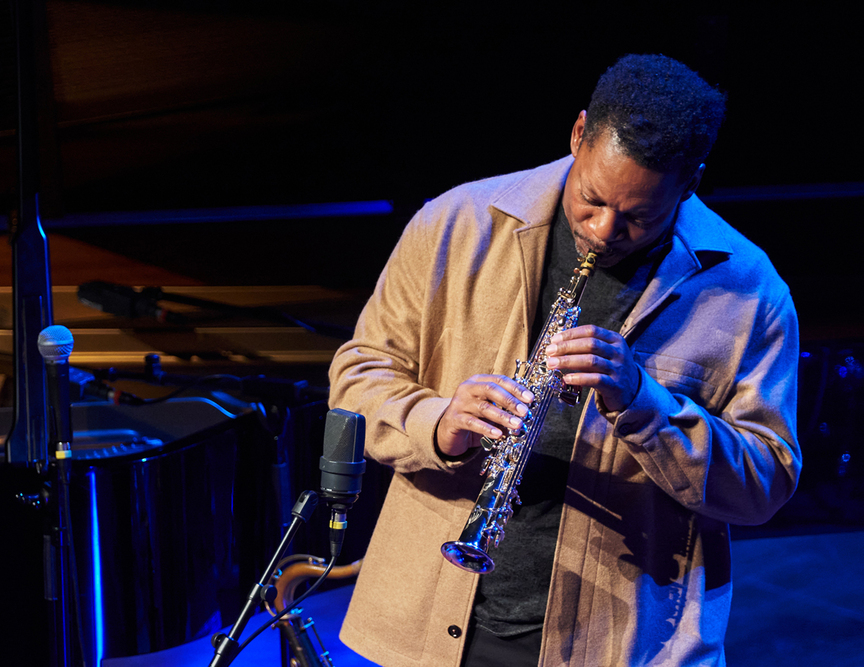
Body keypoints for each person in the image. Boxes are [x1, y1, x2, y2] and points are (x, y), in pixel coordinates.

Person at [328, 54, 800, 667]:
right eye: (592, 198)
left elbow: (766, 483)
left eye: (638, 217)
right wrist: (439, 423)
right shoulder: (456, 223)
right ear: (579, 134)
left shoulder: (750, 293)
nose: (604, 231)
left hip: (618, 643)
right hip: (428, 624)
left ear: (691, 181)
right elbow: (358, 376)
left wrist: (645, 404)